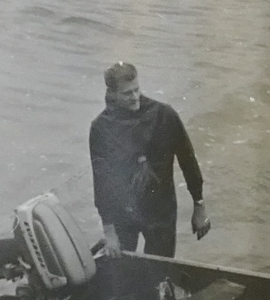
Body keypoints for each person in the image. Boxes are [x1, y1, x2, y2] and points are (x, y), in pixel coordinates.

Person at [88, 62, 210, 257]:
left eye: (137, 90)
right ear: (112, 93)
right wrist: (109, 232)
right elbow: (102, 182)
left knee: (160, 271)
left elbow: (188, 160)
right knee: (121, 272)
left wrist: (199, 204)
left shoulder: (165, 115)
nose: (135, 97)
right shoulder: (101, 128)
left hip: (160, 210)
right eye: (127, 93)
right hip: (124, 211)